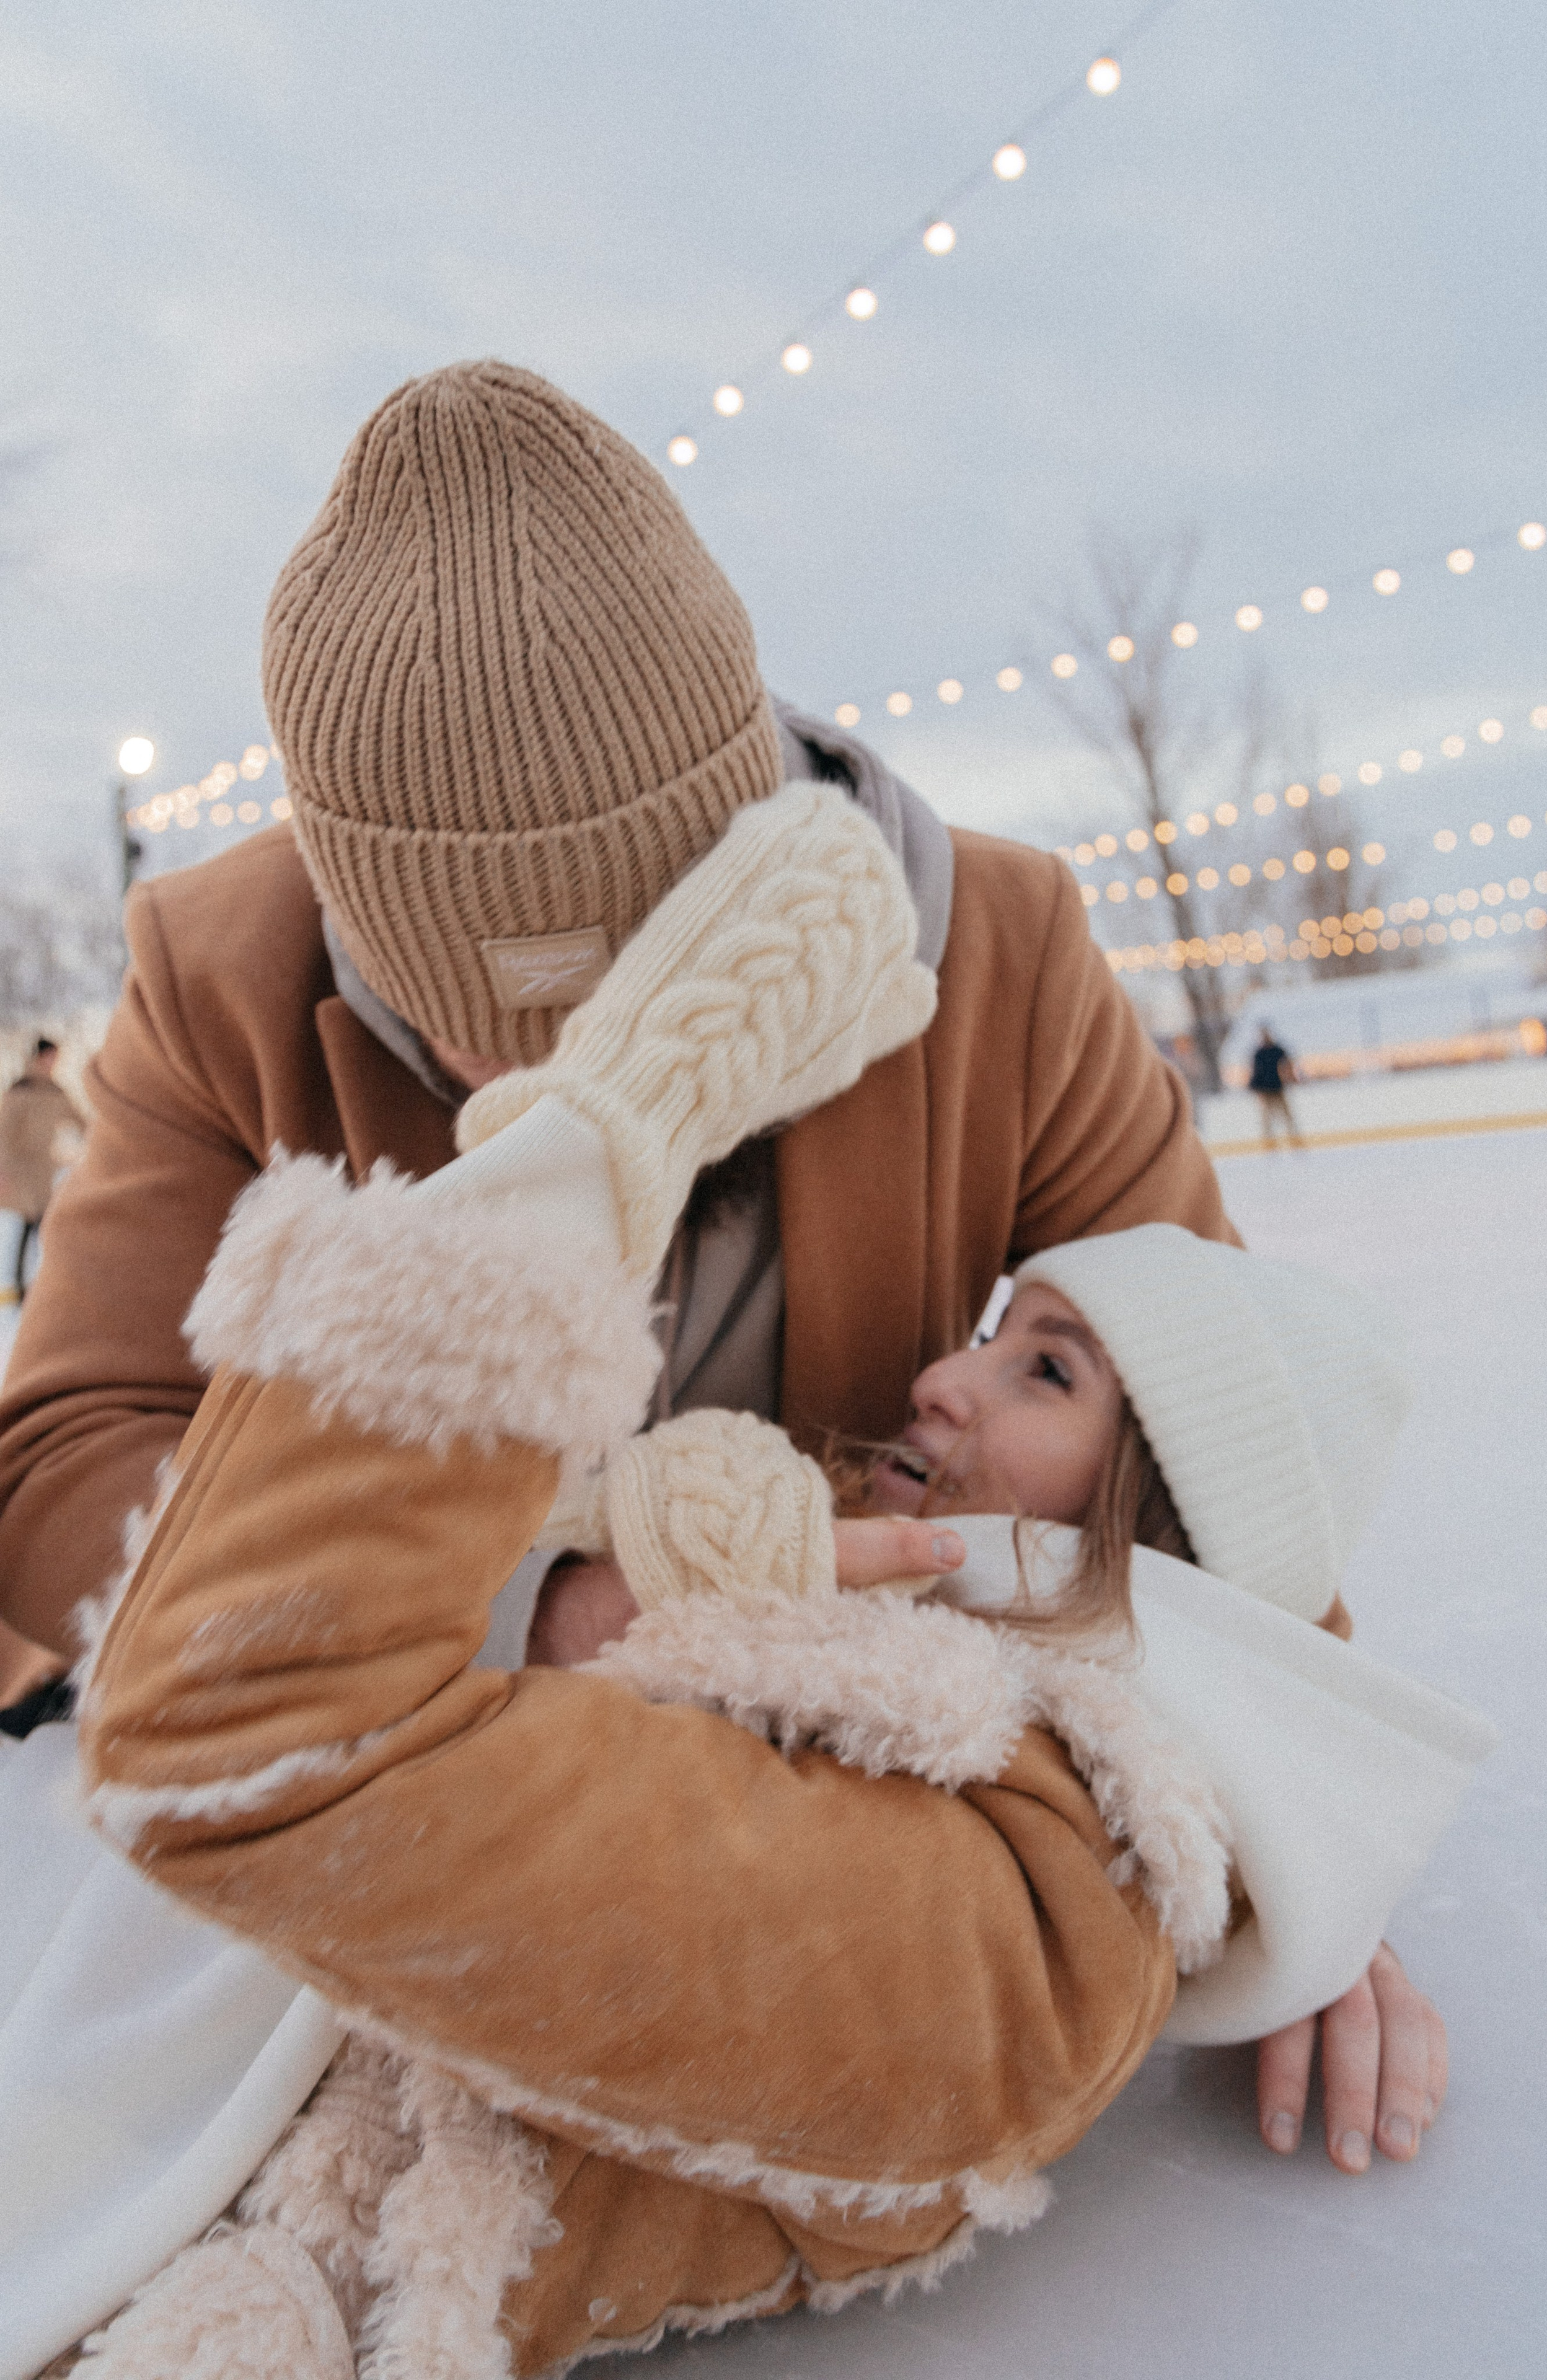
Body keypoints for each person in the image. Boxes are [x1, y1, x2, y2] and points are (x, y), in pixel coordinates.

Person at [0, 362, 1438, 2272]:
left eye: (612, 1022)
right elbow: (69, 1447)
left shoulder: (1006, 956)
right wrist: (527, 1600)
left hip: (823, 1781)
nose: (530, 1088)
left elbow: (1209, 1393)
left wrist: (1294, 1826)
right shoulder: (215, 976)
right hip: (417, 1787)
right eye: (467, 1040)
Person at [64, 1150, 1491, 2369]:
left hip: (226, 2259)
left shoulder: (1045, 1899)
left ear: (1161, 1520)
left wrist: (517, 1223)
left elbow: (291, 1757)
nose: (939, 1377)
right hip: (136, 2088)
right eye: (989, 1332)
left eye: (1043, 1370)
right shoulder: (826, 1592)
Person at [0, 1038, 86, 1302]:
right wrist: (4, 1171)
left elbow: (80, 1120)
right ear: (40, 1057)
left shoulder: (55, 1092)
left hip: (44, 1170)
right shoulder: (20, 1090)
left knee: (41, 1225)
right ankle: (25, 1286)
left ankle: (38, 1284)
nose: (53, 1063)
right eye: (50, 1057)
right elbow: (3, 1134)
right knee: (35, 1224)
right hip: (21, 1170)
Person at [1249, 1022, 1303, 1150]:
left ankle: (1296, 1144)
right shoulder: (1259, 1053)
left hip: (1278, 1088)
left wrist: (1292, 1078)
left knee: (1287, 1117)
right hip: (1265, 1091)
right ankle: (1270, 1147)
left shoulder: (1277, 1050)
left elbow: (1288, 1065)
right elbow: (1255, 1072)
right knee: (1267, 1120)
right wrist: (1255, 1088)